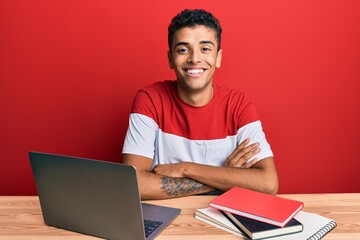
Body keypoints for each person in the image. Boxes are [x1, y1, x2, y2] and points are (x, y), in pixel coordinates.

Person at [122, 9, 278, 200]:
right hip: (167, 217)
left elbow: (269, 183)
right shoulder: (150, 100)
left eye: (205, 49)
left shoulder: (239, 105)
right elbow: (134, 185)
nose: (194, 59)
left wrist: (186, 169)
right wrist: (223, 178)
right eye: (183, 50)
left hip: (222, 219)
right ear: (171, 59)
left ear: (218, 58)